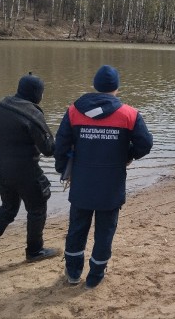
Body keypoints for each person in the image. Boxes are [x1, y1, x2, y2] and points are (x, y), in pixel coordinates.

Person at [54, 65, 153, 289]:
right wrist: (127, 156)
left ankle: (72, 273)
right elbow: (145, 144)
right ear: (117, 88)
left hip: (81, 183)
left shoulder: (73, 111)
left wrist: (64, 170)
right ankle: (95, 276)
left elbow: (60, 145)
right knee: (105, 232)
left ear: (95, 86)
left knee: (77, 228)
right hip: (111, 185)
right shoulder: (129, 114)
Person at [0, 72, 58, 274]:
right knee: (37, 206)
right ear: (36, 93)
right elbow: (49, 149)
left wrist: (1, 156)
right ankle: (35, 251)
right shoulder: (32, 114)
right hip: (25, 170)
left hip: (1, 168)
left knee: (8, 209)